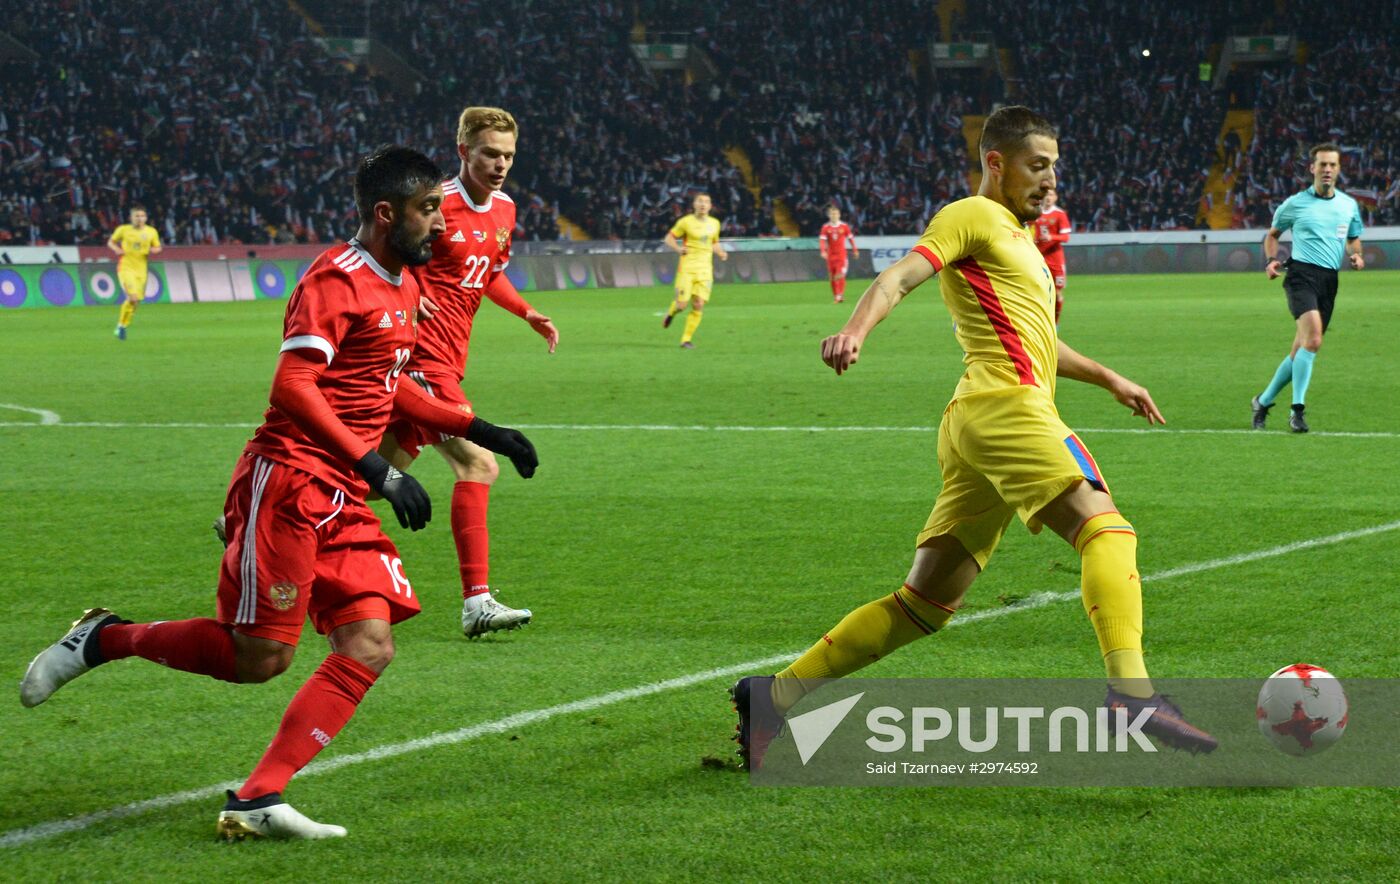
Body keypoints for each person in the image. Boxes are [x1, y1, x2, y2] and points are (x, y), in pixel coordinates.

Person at [20, 146, 539, 840]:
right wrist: (377, 466)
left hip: (343, 491)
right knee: (259, 658)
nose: (441, 224)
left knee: (368, 643)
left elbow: (396, 385)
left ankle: (258, 798)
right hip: (291, 480)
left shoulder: (410, 285)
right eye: (428, 211)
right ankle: (105, 640)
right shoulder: (334, 280)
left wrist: (481, 426)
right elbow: (291, 388)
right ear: (387, 214)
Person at [730, 106, 1217, 769]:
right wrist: (856, 330)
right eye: (1037, 165)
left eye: (1054, 166)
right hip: (1005, 409)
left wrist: (1110, 378)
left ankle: (775, 697)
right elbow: (902, 274)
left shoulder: (1021, 242)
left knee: (924, 604)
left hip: (981, 419)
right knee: (1107, 529)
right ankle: (1132, 696)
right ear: (997, 163)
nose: (1050, 180)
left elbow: (1039, 341)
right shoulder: (970, 215)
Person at [380, 105, 558, 639]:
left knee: (376, 473)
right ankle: (476, 601)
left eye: (508, 155)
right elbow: (379, 254)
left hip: (450, 358)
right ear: (464, 152)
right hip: (419, 358)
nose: (501, 164)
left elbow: (488, 276)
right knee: (479, 465)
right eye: (490, 154)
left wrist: (527, 312)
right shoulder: (435, 204)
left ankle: (262, 511)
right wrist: (409, 295)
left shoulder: (504, 209)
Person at [1251, 143, 1364, 433]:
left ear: (1339, 170)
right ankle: (1297, 411)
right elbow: (1272, 235)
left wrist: (1356, 254)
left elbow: (1353, 238)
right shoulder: (1295, 204)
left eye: (1332, 165)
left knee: (1300, 351)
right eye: (1322, 165)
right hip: (1300, 275)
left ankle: (1262, 402)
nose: (1327, 170)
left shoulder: (1348, 205)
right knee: (1313, 341)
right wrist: (1271, 260)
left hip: (1329, 280)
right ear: (1312, 168)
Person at [661, 193, 728, 349]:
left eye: (706, 202)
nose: (703, 204)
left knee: (698, 305)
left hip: (705, 270)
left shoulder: (715, 223)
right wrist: (678, 248)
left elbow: (714, 242)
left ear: (710, 206)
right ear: (694, 205)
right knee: (682, 305)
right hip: (687, 269)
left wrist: (721, 252)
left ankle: (686, 340)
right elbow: (668, 238)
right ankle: (672, 311)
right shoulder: (685, 222)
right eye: (700, 201)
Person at [107, 206, 162, 340]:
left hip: (141, 270)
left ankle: (122, 326)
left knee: (135, 302)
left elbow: (157, 247)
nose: (139, 218)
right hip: (126, 268)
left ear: (146, 218)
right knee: (133, 298)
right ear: (131, 218)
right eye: (136, 216)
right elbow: (111, 242)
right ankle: (121, 327)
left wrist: (153, 250)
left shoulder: (151, 231)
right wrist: (116, 249)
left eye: (142, 216)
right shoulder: (123, 230)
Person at [1029, 187, 1070, 322]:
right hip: (1039, 259)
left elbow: (1066, 237)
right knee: (1038, 293)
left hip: (1056, 260)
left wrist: (1052, 237)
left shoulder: (1060, 214)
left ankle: (1055, 324)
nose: (1048, 197)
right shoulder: (1035, 213)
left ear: (1055, 198)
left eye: (1051, 195)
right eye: (1046, 195)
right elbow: (1027, 228)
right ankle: (1041, 322)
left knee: (1057, 294)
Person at [819, 205, 859, 303]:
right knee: (832, 277)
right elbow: (822, 241)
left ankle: (839, 295)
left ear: (839, 215)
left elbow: (851, 238)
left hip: (841, 256)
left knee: (839, 275)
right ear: (829, 215)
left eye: (836, 214)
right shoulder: (825, 227)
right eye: (832, 214)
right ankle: (836, 295)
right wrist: (823, 251)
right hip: (830, 256)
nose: (834, 216)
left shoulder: (844, 226)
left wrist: (855, 249)